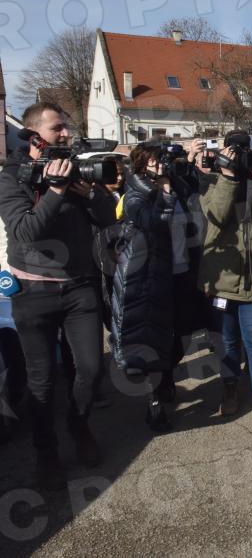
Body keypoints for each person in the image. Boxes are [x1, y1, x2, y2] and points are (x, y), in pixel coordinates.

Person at [0, 102, 116, 490]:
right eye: (57, 128)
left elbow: (109, 217)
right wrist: (55, 190)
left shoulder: (74, 168)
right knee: (42, 380)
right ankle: (46, 452)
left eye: (65, 126)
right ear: (33, 135)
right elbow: (25, 232)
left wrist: (90, 195)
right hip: (33, 292)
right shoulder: (11, 176)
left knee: (91, 370)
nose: (65, 133)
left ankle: (78, 425)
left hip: (80, 286)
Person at [193, 132, 252, 430]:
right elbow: (216, 215)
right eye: (233, 150)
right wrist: (227, 175)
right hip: (223, 279)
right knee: (228, 341)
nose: (240, 156)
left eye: (244, 150)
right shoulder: (210, 179)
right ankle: (230, 387)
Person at [110, 141, 206, 432]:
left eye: (162, 159)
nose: (160, 164)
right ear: (141, 164)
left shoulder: (174, 185)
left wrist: (184, 167)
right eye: (153, 160)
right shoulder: (134, 193)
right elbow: (152, 222)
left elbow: (195, 201)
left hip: (182, 271)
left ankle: (165, 373)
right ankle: (153, 404)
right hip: (151, 276)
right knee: (151, 339)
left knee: (184, 333)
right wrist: (164, 191)